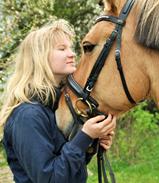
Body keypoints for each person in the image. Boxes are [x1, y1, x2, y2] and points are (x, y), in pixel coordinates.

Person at [0, 19, 116, 183]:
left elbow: (68, 171)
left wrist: (91, 141)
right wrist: (84, 136)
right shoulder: (28, 116)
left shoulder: (53, 107)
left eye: (70, 47)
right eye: (62, 49)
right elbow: (50, 178)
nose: (72, 53)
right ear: (39, 58)